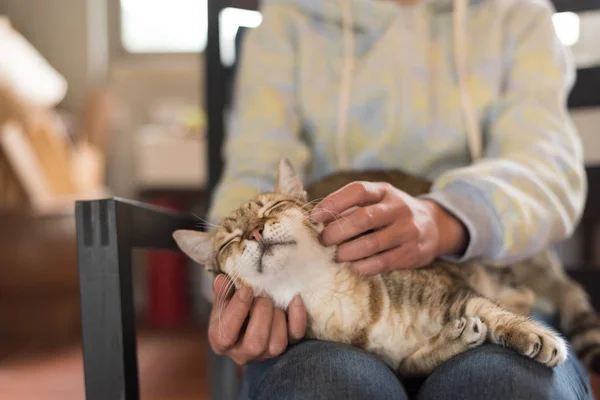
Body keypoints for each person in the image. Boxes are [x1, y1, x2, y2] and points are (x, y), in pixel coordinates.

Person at [206, 0, 592, 398]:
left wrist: (445, 218)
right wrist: (239, 294)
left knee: (504, 386)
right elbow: (253, 174)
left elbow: (547, 167)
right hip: (316, 307)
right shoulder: (291, 14)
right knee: (321, 387)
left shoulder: (516, 11)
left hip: (494, 287)